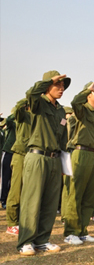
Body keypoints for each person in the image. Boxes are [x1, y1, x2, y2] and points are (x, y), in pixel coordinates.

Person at [17, 70, 71, 256]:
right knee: (32, 200)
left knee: (50, 202)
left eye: (63, 86)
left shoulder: (61, 110)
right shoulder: (38, 103)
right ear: (47, 86)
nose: (61, 89)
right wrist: (48, 80)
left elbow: (63, 137)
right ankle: (26, 241)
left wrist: (64, 163)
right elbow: (30, 94)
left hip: (55, 159)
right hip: (37, 157)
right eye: (58, 85)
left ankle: (42, 240)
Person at [62, 81, 94, 245]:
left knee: (89, 195)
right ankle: (70, 232)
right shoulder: (82, 110)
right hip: (80, 153)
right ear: (88, 95)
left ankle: (82, 230)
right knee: (75, 194)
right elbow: (74, 102)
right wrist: (87, 89)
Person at [5, 99, 31, 235]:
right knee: (16, 189)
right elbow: (18, 108)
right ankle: (12, 223)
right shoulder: (23, 115)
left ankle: (24, 220)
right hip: (20, 155)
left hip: (33, 157)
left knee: (28, 191)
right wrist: (30, 98)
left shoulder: (39, 118)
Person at [1, 113, 16, 209]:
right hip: (8, 152)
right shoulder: (13, 124)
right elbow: (9, 121)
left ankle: (10, 200)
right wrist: (16, 112)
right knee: (5, 178)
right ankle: (3, 199)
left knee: (14, 180)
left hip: (18, 153)